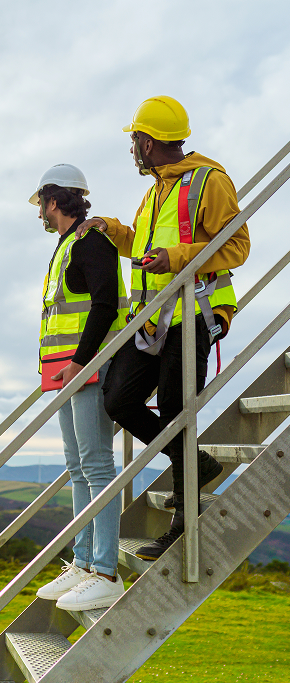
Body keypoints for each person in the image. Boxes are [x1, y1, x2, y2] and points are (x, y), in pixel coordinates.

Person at [75, 96, 250, 560]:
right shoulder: (154, 192)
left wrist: (176, 259)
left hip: (196, 311)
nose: (132, 148)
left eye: (134, 140)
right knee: (120, 399)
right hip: (154, 319)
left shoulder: (210, 180)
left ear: (148, 142)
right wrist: (112, 229)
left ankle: (183, 521)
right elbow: (146, 247)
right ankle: (195, 464)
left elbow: (237, 246)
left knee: (176, 407)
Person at [32, 164, 128, 610]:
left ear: (55, 201)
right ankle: (83, 562)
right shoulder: (67, 245)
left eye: (42, 205)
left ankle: (105, 572)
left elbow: (106, 304)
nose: (40, 214)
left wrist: (80, 359)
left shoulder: (90, 242)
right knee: (76, 466)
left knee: (96, 466)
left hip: (86, 369)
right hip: (65, 372)